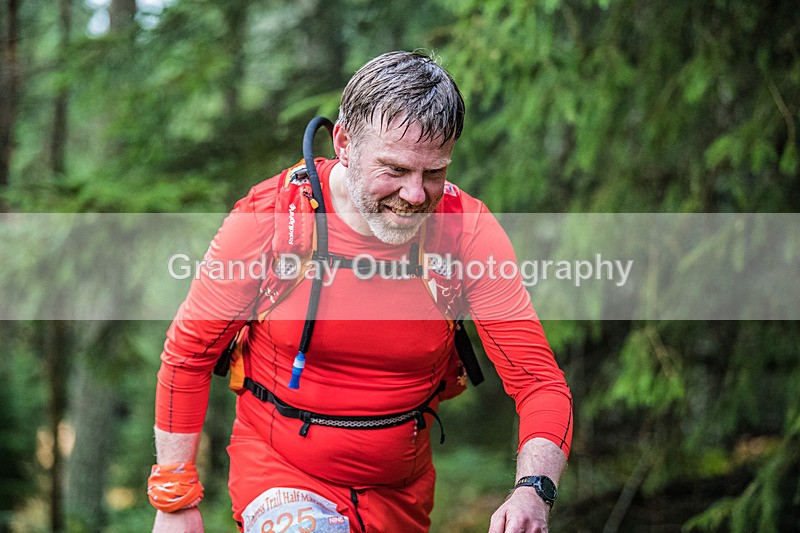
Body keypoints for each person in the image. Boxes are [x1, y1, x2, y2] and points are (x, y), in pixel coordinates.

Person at [149, 51, 572, 533]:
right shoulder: (274, 219)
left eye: (433, 173)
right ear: (345, 143)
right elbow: (189, 354)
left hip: (401, 493)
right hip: (280, 472)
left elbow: (538, 381)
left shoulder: (464, 231)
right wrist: (175, 501)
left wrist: (533, 491)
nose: (416, 195)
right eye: (394, 170)